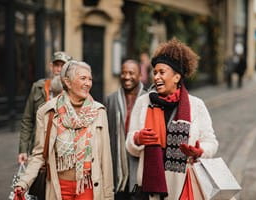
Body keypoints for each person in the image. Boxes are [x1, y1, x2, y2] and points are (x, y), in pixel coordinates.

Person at [125, 38, 219, 200]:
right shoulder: (143, 102)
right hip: (149, 187)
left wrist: (199, 151)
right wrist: (137, 139)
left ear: (176, 77)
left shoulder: (195, 105)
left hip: (183, 185)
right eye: (155, 72)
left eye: (162, 72)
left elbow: (211, 142)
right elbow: (129, 144)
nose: (156, 77)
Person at [15, 60, 114, 199]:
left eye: (90, 79)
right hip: (59, 187)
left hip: (88, 187)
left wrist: (109, 196)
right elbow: (38, 155)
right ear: (67, 82)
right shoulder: (47, 111)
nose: (88, 83)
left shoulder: (99, 111)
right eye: (83, 78)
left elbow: (106, 159)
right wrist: (23, 183)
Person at [18, 51, 72, 164]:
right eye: (56, 65)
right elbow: (27, 120)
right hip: (39, 147)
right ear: (51, 67)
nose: (59, 69)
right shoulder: (38, 87)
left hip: (62, 150)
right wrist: (23, 149)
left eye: (63, 66)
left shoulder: (73, 92)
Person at [105, 59, 147, 199]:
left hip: (141, 167)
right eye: (123, 73)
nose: (127, 76)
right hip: (116, 167)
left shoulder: (149, 100)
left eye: (131, 73)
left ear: (140, 75)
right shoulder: (110, 100)